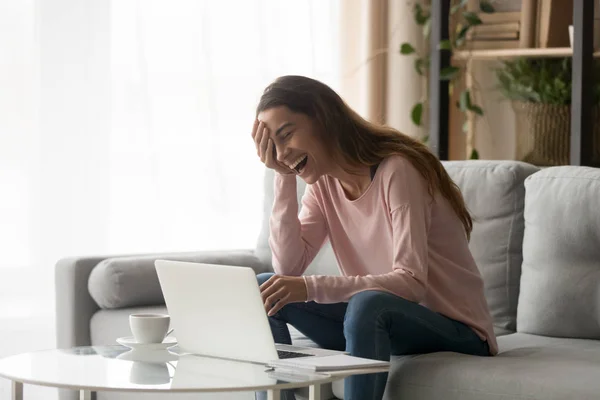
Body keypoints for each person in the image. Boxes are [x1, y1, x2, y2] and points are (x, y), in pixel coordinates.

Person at [251, 75, 496, 400]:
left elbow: (410, 283)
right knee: (264, 288)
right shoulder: (322, 186)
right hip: (374, 324)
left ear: (323, 118)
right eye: (273, 145)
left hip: (454, 328)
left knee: (369, 304)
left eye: (287, 135)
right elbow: (288, 267)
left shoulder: (397, 170)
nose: (281, 153)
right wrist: (282, 176)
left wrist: (311, 287)